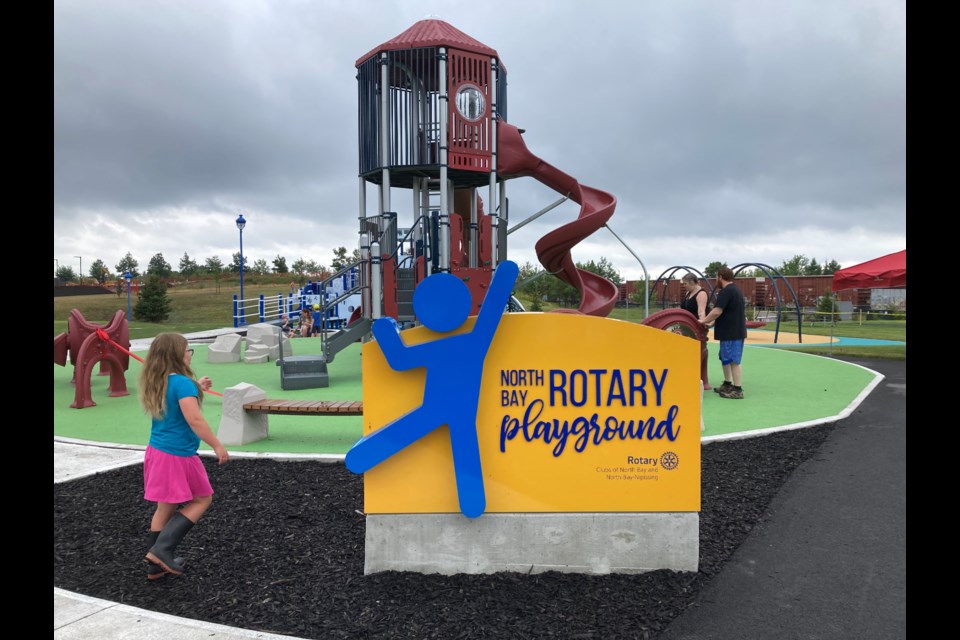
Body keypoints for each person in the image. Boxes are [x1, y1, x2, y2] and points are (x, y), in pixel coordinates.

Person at [138, 333, 229, 579]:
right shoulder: (183, 384)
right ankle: (162, 550)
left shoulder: (158, 380)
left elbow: (175, 399)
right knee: (202, 499)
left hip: (158, 452)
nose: (190, 354)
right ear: (177, 354)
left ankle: (155, 565)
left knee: (165, 508)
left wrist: (197, 388)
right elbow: (194, 419)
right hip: (177, 455)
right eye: (188, 350)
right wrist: (217, 445)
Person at [699, 266, 747, 399]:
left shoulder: (726, 292)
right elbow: (726, 312)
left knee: (733, 361)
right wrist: (711, 322)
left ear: (720, 277)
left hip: (732, 333)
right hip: (729, 332)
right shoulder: (735, 291)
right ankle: (727, 383)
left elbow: (717, 311)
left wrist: (703, 321)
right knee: (725, 359)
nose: (716, 280)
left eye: (716, 277)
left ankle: (737, 390)